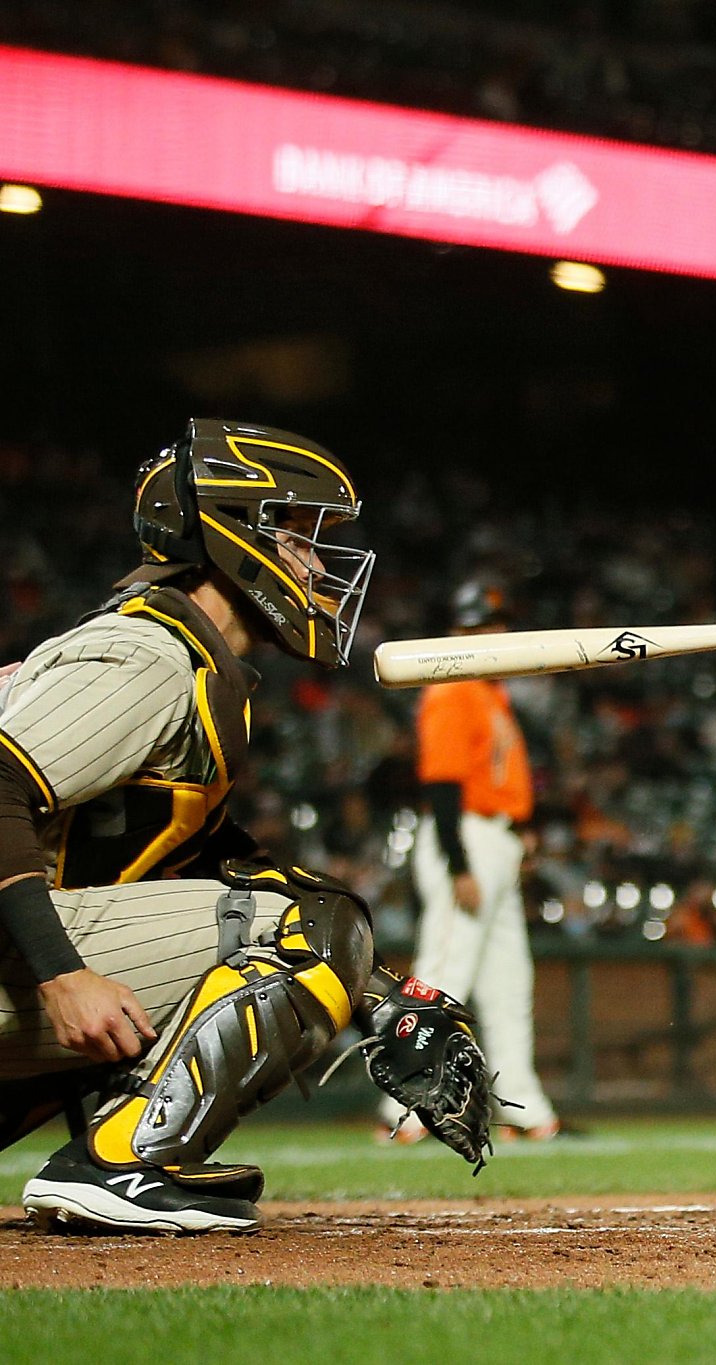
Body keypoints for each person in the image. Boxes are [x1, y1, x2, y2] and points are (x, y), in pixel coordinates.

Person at [0, 420, 491, 1232]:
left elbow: (222, 867)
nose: (316, 563)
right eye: (298, 536)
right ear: (235, 534)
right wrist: (63, 974)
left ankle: (121, 1143)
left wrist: (384, 995)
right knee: (314, 928)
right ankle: (121, 1162)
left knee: (304, 910)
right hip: (20, 970)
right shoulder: (148, 654)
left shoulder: (192, 663)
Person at [381, 581, 561, 1142]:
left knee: (508, 982)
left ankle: (523, 1108)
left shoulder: (489, 692)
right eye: (487, 626)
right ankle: (403, 1106)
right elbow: (440, 785)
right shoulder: (452, 688)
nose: (499, 634)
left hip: (495, 839)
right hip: (464, 838)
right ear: (462, 634)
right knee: (443, 973)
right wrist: (460, 864)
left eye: (500, 624)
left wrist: (518, 833)